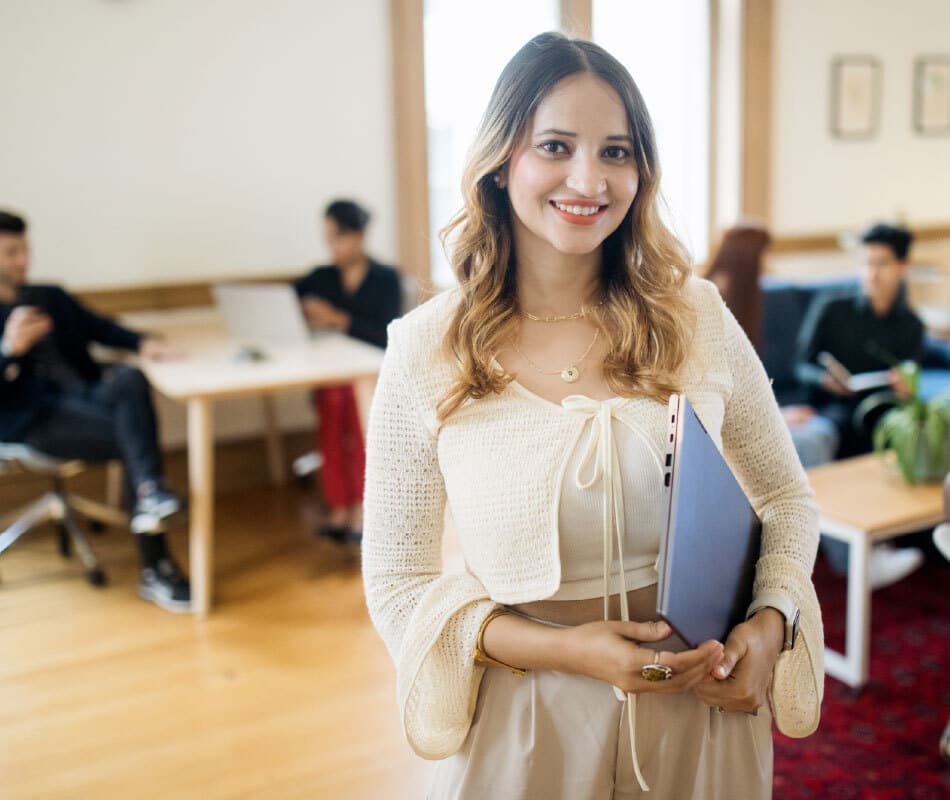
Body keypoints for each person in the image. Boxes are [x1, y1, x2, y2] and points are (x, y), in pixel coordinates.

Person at [362, 33, 823, 799]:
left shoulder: (697, 316)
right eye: (555, 145)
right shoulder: (424, 351)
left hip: (702, 713)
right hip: (526, 717)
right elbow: (399, 585)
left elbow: (785, 499)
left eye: (615, 152)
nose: (589, 178)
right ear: (502, 160)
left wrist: (770, 630)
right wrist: (572, 653)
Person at [0, 209, 190, 612]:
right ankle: (156, 560)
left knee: (127, 376)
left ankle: (151, 496)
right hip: (33, 420)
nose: (23, 261)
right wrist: (7, 352)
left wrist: (143, 343)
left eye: (25, 250)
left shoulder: (49, 297)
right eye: (11, 252)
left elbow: (103, 328)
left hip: (84, 399)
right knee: (134, 437)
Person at [795, 223, 926, 586]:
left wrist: (905, 386)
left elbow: (910, 382)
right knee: (821, 438)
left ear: (903, 267)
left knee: (906, 433)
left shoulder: (910, 326)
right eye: (866, 263)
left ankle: (885, 541)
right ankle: (856, 558)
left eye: (882, 263)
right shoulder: (833, 309)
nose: (872, 273)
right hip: (831, 408)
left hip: (880, 412)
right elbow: (799, 366)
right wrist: (822, 379)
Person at [293, 200, 401, 544]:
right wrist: (305, 311)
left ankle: (364, 508)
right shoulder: (320, 278)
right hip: (335, 375)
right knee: (333, 406)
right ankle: (339, 505)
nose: (332, 246)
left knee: (356, 416)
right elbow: (286, 299)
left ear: (359, 235)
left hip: (374, 376)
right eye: (327, 238)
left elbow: (388, 334)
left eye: (338, 237)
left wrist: (337, 320)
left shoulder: (386, 279)